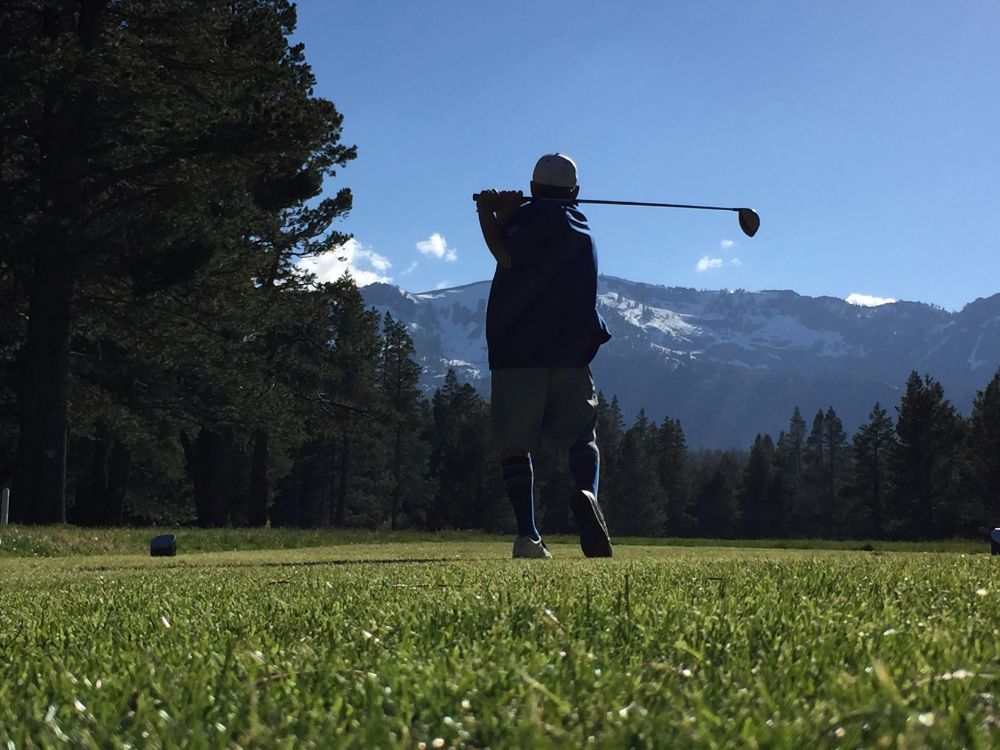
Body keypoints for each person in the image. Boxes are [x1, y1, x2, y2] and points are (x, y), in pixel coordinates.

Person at [475, 153, 613, 559]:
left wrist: (490, 213)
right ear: (576, 193)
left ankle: (528, 537)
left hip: (518, 350)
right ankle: (588, 493)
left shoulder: (528, 219)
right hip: (571, 351)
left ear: (534, 188)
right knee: (582, 435)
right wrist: (512, 212)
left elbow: (507, 255)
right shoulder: (581, 226)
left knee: (517, 445)